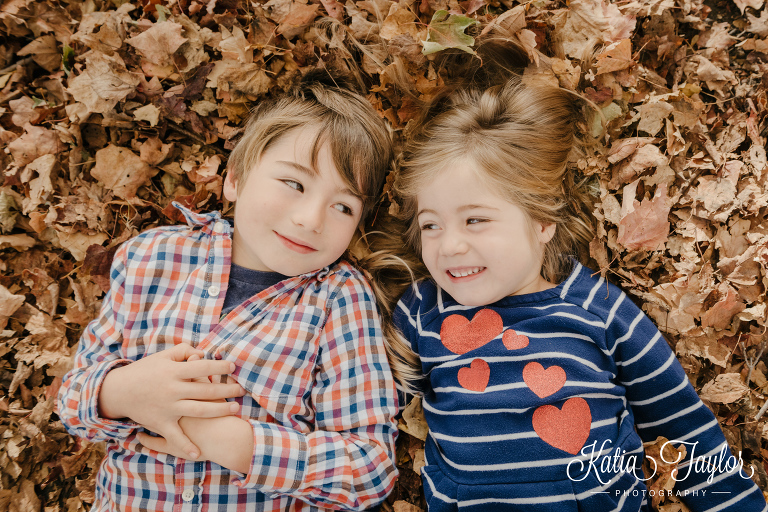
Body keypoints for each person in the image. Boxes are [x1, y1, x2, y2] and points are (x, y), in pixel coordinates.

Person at [384, 74, 768, 511]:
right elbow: (374, 406)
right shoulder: (421, 311)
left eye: (475, 220)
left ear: (543, 221)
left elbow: (680, 422)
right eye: (430, 225)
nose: (448, 245)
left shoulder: (597, 310)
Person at [57, 73, 399, 511]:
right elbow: (72, 401)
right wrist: (125, 392)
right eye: (294, 183)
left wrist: (234, 442)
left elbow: (370, 471)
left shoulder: (339, 299)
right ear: (235, 178)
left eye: (343, 206)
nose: (311, 218)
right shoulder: (152, 257)